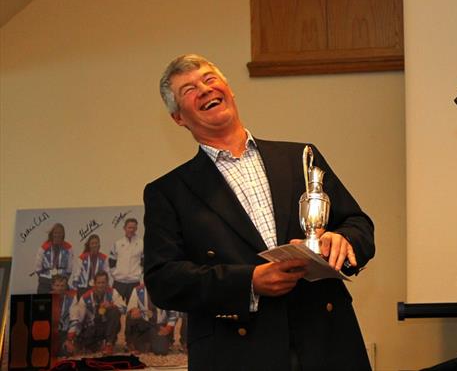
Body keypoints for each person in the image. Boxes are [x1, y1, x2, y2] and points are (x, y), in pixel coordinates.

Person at [143, 54, 375, 371]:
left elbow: (357, 223)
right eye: (189, 89)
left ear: (229, 89)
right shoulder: (168, 192)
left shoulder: (301, 156)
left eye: (210, 79)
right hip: (237, 354)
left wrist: (343, 240)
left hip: (327, 342)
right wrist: (249, 282)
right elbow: (164, 280)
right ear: (178, 118)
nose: (205, 89)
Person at [67, 270, 125, 355]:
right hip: (92, 327)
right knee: (84, 347)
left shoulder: (113, 292)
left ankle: (109, 344)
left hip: (108, 326)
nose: (101, 285)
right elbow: (78, 319)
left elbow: (124, 309)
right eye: (99, 283)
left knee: (114, 311)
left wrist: (111, 305)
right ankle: (97, 344)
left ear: (107, 283)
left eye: (103, 282)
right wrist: (72, 337)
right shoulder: (85, 297)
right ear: (94, 283)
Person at [125, 282, 178, 355]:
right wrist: (133, 311)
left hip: (158, 326)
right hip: (143, 325)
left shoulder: (168, 290)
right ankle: (130, 343)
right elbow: (130, 310)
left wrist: (168, 328)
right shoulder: (137, 290)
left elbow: (174, 313)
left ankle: (148, 344)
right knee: (130, 317)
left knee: (161, 351)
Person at [108, 218, 143, 303]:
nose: (131, 230)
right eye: (129, 227)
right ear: (124, 228)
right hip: (119, 282)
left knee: (133, 310)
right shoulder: (117, 244)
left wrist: (139, 273)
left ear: (136, 229)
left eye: (133, 228)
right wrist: (115, 274)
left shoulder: (142, 244)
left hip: (134, 282)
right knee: (116, 308)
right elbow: (111, 261)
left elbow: (144, 261)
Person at [33, 222, 74, 293]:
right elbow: (38, 267)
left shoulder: (68, 248)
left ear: (63, 234)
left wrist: (63, 280)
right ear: (52, 234)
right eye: (55, 232)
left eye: (60, 233)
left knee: (64, 301)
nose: (57, 235)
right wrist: (46, 278)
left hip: (62, 282)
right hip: (45, 281)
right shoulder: (43, 247)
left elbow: (69, 268)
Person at [51, 274, 78, 357]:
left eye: (62, 286)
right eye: (57, 285)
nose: (59, 288)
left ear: (66, 286)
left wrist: (69, 339)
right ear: (52, 286)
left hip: (64, 332)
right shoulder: (47, 298)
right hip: (51, 332)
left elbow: (74, 319)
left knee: (68, 352)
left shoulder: (72, 299)